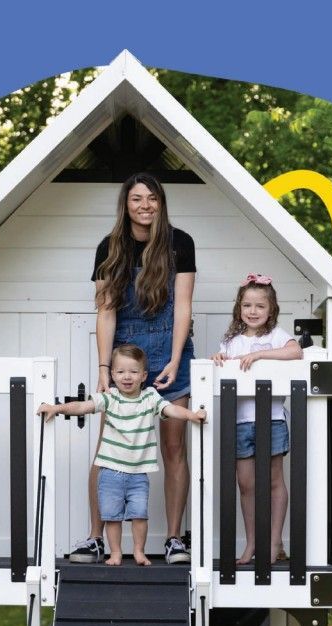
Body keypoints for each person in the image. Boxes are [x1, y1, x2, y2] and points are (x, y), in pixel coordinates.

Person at [70, 172, 197, 565]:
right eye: (136, 199)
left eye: (152, 198)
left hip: (169, 350)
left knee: (174, 448)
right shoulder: (110, 248)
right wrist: (104, 367)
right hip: (125, 352)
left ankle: (174, 538)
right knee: (108, 451)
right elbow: (106, 312)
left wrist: (176, 359)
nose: (145, 206)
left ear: (161, 202)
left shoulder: (180, 243)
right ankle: (95, 539)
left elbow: (183, 307)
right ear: (125, 205)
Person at [39, 345, 206, 566]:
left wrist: (192, 415)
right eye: (120, 372)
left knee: (140, 515)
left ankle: (139, 551)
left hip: (138, 474)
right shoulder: (109, 398)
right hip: (110, 472)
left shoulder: (150, 398)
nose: (127, 377)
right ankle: (115, 552)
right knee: (112, 517)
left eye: (133, 372)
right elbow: (83, 406)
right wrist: (57, 408)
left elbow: (171, 410)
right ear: (112, 375)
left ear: (144, 375)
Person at [211, 275, 303, 563]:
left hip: (272, 419)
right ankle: (252, 544)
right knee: (246, 484)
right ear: (239, 308)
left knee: (274, 480)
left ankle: (275, 542)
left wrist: (261, 355)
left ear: (271, 310)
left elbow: (296, 351)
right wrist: (218, 360)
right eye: (247, 305)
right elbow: (223, 365)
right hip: (240, 423)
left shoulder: (275, 335)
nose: (252, 311)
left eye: (259, 306)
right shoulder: (232, 341)